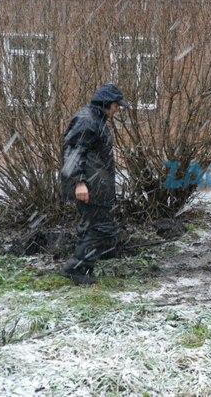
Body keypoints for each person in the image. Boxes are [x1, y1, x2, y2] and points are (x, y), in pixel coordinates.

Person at [60, 84, 129, 285]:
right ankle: (76, 269)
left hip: (96, 184)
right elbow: (73, 153)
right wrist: (79, 182)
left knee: (93, 227)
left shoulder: (95, 119)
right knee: (101, 228)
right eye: (116, 105)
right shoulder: (87, 120)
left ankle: (84, 268)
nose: (117, 109)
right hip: (89, 185)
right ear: (107, 103)